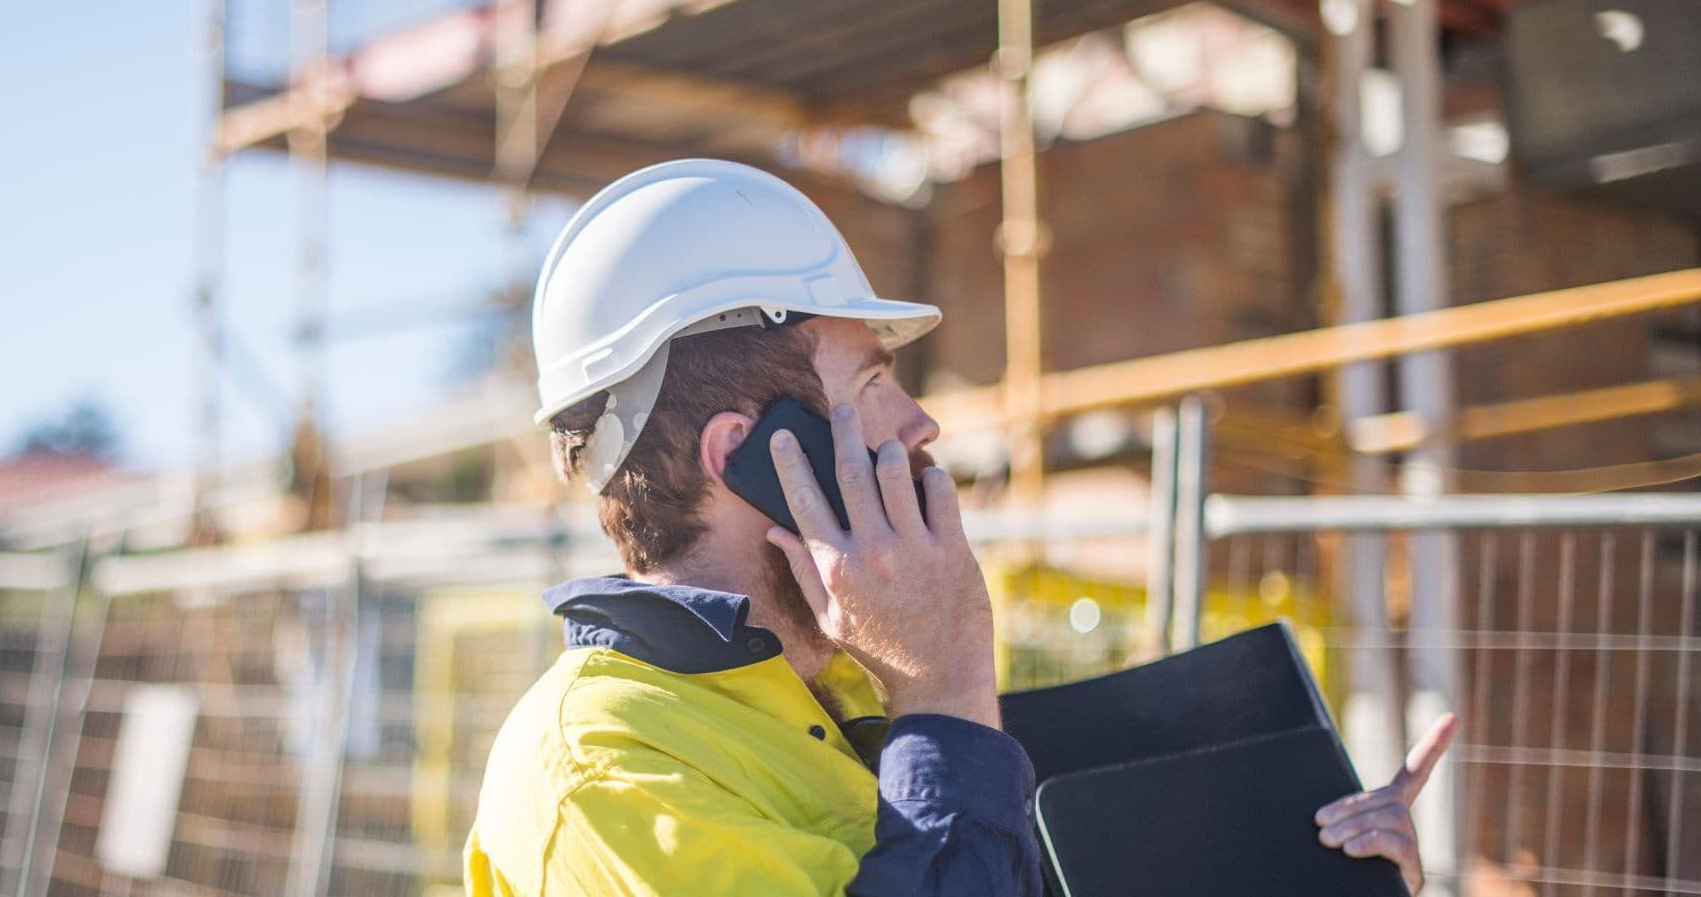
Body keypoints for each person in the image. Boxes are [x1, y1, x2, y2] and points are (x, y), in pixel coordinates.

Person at [462, 158, 1452, 895]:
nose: (920, 424)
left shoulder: (845, 692)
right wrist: (940, 694)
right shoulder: (601, 766)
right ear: (751, 457)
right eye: (872, 385)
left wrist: (1309, 871)